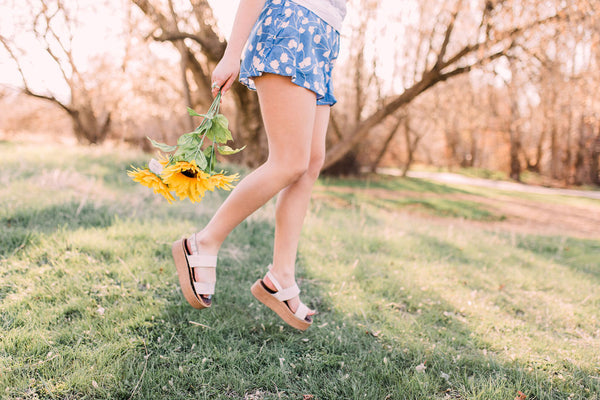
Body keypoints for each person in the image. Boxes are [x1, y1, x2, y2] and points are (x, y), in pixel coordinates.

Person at [171, 0, 347, 331]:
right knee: (289, 161)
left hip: (323, 38)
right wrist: (230, 54)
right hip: (292, 25)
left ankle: (281, 276)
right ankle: (204, 242)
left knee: (309, 163)